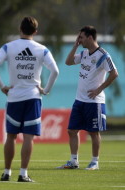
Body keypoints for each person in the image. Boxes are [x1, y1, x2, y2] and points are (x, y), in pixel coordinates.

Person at [0, 16, 59, 182]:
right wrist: (45, 90)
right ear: (35, 31)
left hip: (13, 97)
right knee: (28, 137)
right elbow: (55, 71)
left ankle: (6, 173)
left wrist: (2, 86)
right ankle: (23, 174)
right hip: (33, 98)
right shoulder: (42, 49)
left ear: (20, 29)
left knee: (11, 136)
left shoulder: (8, 47)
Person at [57, 26, 118, 170]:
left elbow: (114, 73)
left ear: (90, 37)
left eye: (81, 37)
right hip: (80, 100)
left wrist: (99, 89)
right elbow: (68, 62)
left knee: (93, 132)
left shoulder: (103, 55)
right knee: (72, 130)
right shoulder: (84, 53)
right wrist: (74, 46)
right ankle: (73, 161)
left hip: (94, 101)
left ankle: (95, 162)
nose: (79, 40)